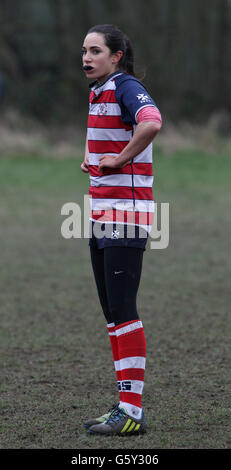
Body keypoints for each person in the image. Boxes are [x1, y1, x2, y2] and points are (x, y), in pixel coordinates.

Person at [80, 24, 162, 436]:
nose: (86, 57)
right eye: (84, 51)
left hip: (125, 215)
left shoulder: (126, 86)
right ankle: (124, 407)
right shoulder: (99, 92)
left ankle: (131, 412)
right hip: (100, 215)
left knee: (124, 312)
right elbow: (108, 141)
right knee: (112, 314)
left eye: (95, 50)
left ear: (116, 56)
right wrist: (93, 160)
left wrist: (118, 160)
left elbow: (152, 122)